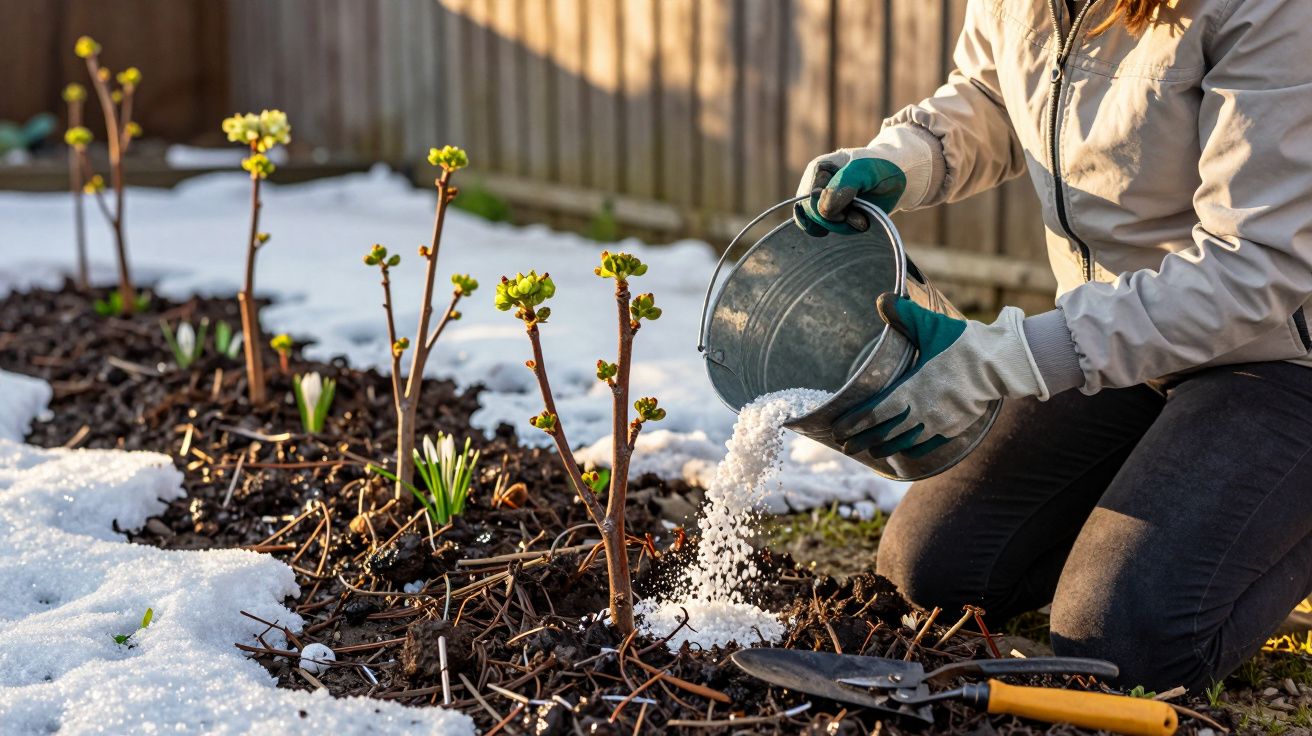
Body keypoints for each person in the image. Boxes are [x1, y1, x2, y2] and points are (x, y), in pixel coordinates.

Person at [794, 0, 1312, 692]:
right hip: (1128, 339)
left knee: (1121, 640)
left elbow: (1256, 265)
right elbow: (994, 95)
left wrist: (1012, 355)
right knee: (932, 573)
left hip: (1278, 358)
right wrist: (902, 160)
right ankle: (1187, 484)